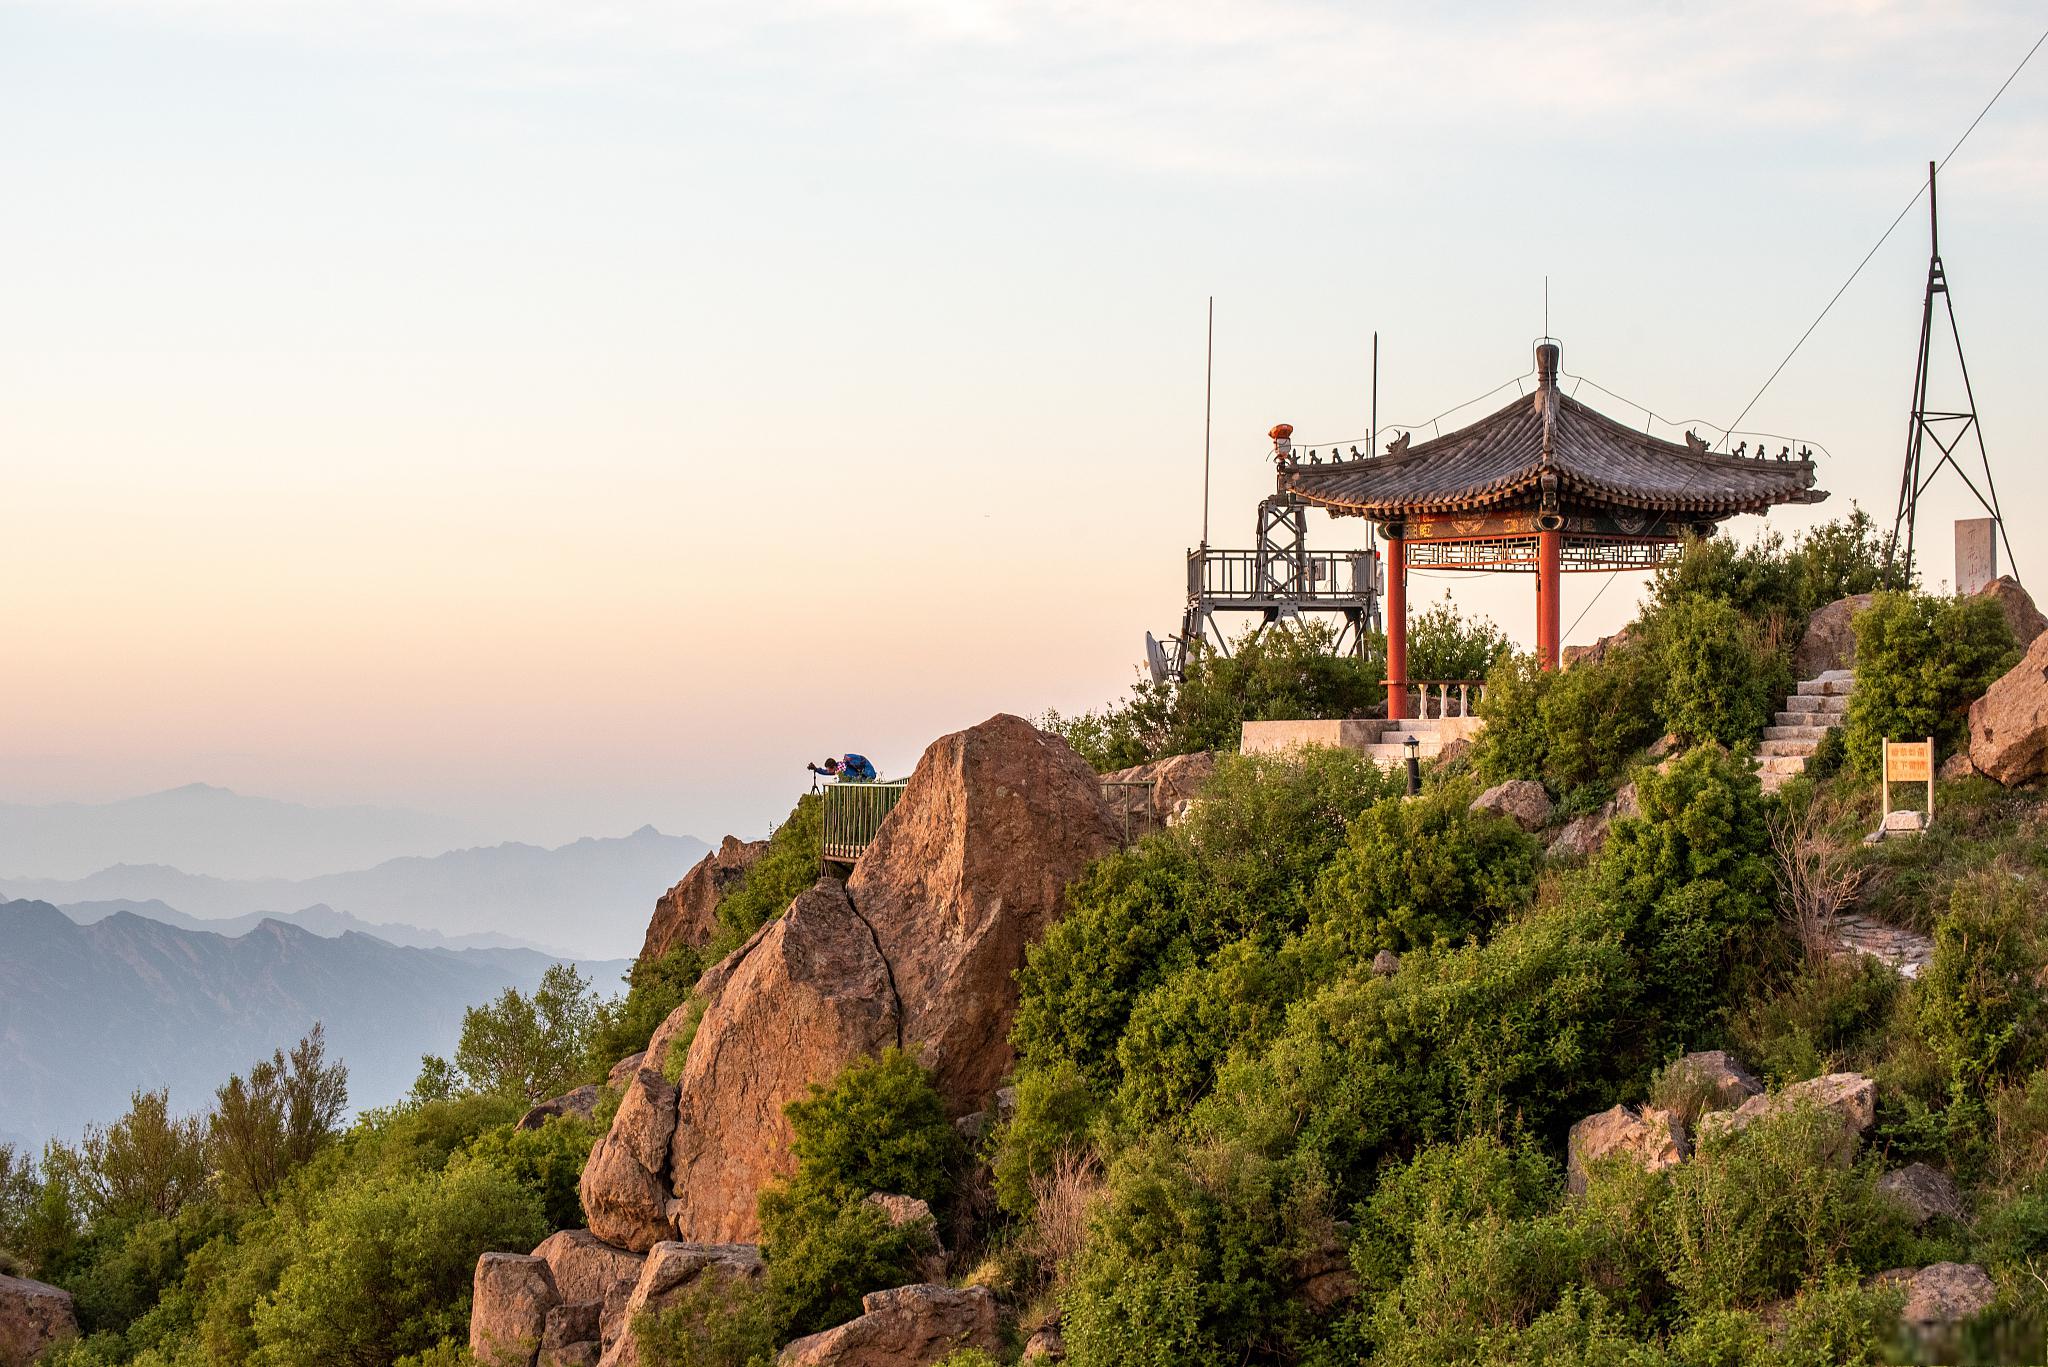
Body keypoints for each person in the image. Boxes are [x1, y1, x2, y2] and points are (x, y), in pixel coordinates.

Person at [808, 753, 877, 782]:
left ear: (834, 767)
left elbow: (852, 778)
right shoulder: (840, 767)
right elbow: (825, 772)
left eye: (829, 769)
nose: (828, 771)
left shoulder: (845, 770)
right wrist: (816, 769)